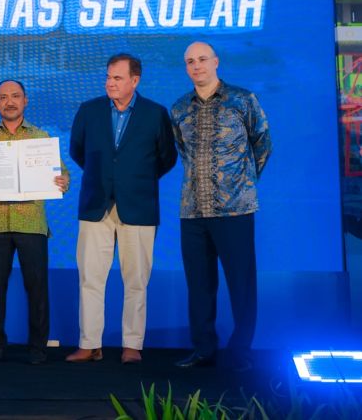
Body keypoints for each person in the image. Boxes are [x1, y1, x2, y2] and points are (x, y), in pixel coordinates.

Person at [66, 54, 177, 365]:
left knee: (136, 280)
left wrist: (133, 179)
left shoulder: (156, 114)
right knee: (90, 278)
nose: (110, 83)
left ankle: (132, 344)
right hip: (95, 205)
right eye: (108, 77)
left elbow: (166, 158)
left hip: (138, 206)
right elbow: (78, 151)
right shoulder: (89, 111)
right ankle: (89, 344)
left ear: (135, 81)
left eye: (117, 78)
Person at [171, 42, 271, 371]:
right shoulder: (180, 108)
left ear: (216, 62)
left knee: (241, 284)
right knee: (199, 286)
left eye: (202, 59)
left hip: (235, 211)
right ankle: (204, 349)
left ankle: (241, 350)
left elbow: (263, 143)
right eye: (190, 61)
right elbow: (183, 151)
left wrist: (239, 183)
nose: (196, 65)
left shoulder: (242, 100)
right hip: (193, 212)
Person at [0, 80, 69, 365]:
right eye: (3, 97)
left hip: (31, 223)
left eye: (15, 96)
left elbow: (63, 175)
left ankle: (37, 347)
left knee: (36, 288)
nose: (9, 102)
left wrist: (63, 181)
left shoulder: (41, 136)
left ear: (25, 101)